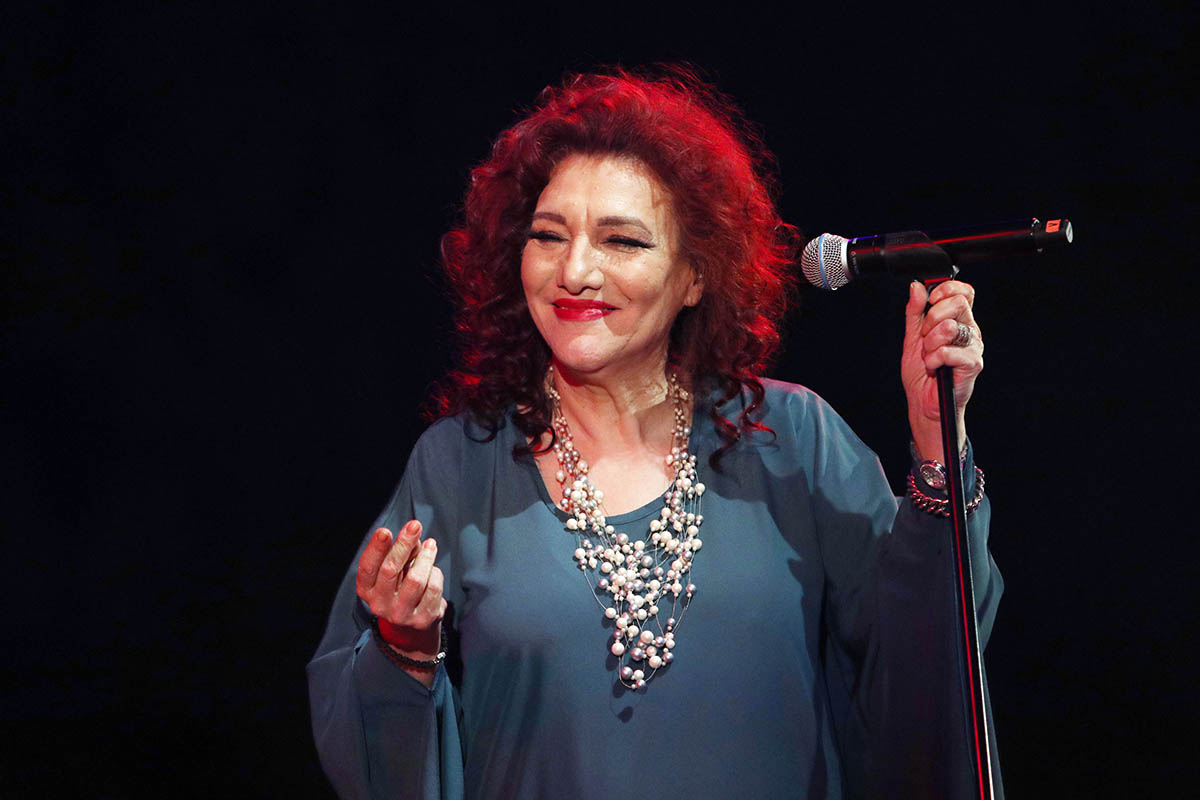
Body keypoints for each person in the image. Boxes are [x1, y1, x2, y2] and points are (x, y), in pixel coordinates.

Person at [307, 67, 1003, 800]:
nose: (575, 270)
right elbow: (364, 743)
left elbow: (929, 662)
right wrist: (405, 650)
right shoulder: (458, 465)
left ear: (695, 276)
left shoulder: (792, 439)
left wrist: (938, 444)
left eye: (622, 241)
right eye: (548, 236)